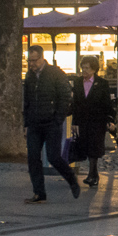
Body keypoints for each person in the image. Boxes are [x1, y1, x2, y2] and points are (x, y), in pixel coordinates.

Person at [23, 45, 80, 202]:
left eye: (34, 60)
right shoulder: (29, 76)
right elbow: (27, 100)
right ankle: (39, 192)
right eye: (29, 60)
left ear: (42, 58)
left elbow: (65, 96)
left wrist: (58, 118)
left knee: (53, 157)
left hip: (51, 123)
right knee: (33, 157)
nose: (31, 64)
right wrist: (26, 123)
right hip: (35, 123)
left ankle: (71, 179)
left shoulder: (55, 73)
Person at [72, 56, 116, 187]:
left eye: (87, 68)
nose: (84, 71)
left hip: (97, 120)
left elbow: (107, 103)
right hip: (83, 120)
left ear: (94, 69)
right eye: (83, 67)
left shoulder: (102, 83)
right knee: (85, 146)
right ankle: (94, 175)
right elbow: (76, 103)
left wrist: (110, 119)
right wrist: (74, 122)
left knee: (94, 148)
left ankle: (92, 175)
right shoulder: (78, 82)